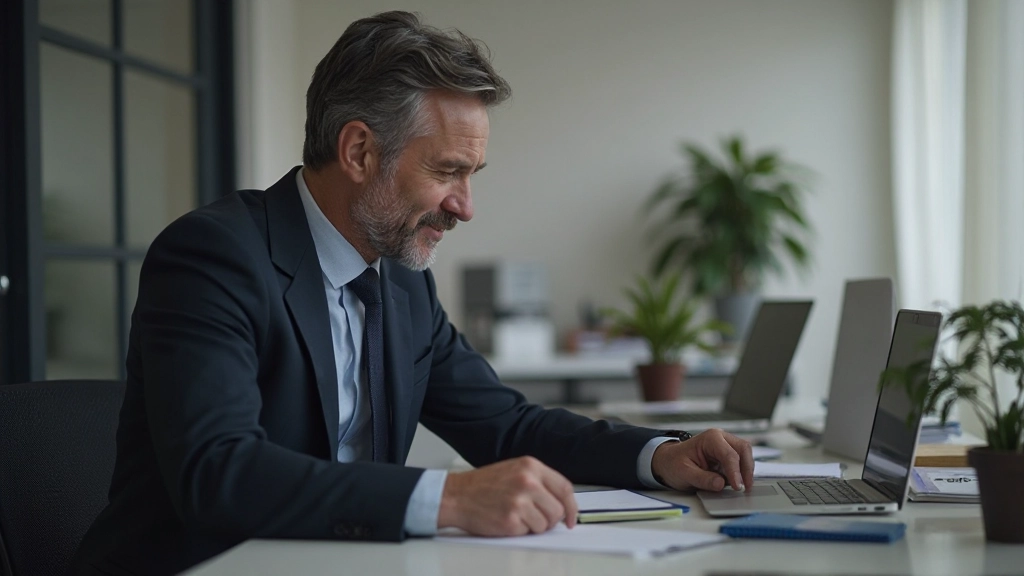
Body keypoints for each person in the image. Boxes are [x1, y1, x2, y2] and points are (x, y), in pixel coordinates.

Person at [73, 11, 753, 576]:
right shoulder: (215, 255)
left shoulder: (402, 283)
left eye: (473, 173)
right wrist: (449, 498)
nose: (466, 207)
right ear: (360, 152)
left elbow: (507, 425)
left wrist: (659, 455)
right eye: (449, 172)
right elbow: (218, 472)